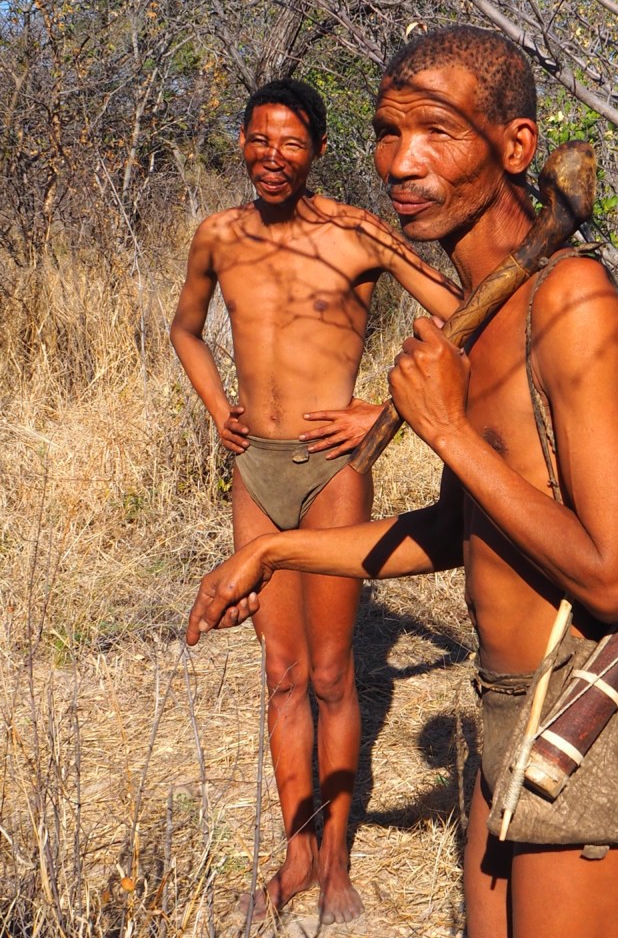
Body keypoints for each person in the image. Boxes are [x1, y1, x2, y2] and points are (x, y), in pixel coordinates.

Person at [185, 30, 618, 937]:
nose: (402, 162)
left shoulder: (570, 304)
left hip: (582, 708)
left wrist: (448, 429)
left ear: (517, 148)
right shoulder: (479, 324)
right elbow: (457, 533)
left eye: (438, 133)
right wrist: (274, 552)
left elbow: (613, 578)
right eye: (387, 132)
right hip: (504, 709)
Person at [170, 77, 461, 925]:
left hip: (334, 473)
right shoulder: (218, 235)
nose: (272, 157)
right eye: (259, 140)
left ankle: (337, 865)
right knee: (281, 671)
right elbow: (185, 328)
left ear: (319, 151)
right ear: (242, 142)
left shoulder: (355, 233)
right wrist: (217, 402)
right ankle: (295, 855)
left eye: (291, 143)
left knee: (334, 674)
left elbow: (458, 316)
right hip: (254, 471)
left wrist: (388, 408)